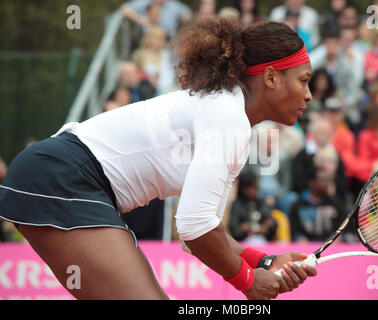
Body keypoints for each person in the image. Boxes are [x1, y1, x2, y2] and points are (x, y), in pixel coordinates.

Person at [0, 19, 317, 300]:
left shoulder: (228, 114)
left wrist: (263, 262)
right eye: (303, 80)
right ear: (272, 78)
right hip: (60, 177)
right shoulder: (228, 117)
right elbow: (195, 229)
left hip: (61, 177)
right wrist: (248, 281)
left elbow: (201, 235)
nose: (309, 95)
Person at [228, 170, 278, 244]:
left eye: (254, 187)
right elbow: (235, 230)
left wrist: (248, 227)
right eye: (248, 188)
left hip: (264, 243)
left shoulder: (262, 203)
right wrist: (259, 228)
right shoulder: (236, 205)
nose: (251, 191)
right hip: (242, 244)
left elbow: (272, 226)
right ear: (242, 188)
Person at [121, 0, 192, 40]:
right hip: (146, 39)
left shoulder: (174, 5)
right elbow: (124, 9)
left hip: (168, 41)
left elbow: (188, 15)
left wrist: (183, 30)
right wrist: (141, 20)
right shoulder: (144, 2)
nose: (158, 15)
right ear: (148, 12)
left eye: (159, 12)